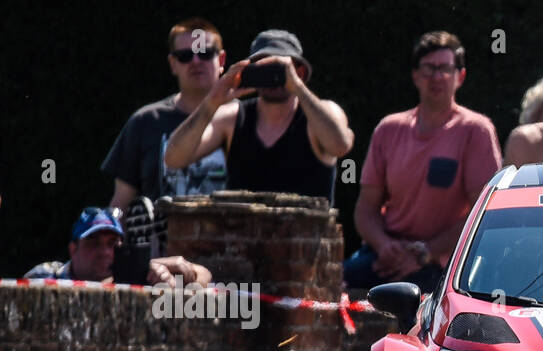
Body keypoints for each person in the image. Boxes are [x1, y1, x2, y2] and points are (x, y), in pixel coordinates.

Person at [344, 31, 502, 292]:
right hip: (386, 256)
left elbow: (483, 212)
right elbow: (365, 209)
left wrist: (426, 252)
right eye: (429, 68)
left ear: (460, 76)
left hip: (445, 263)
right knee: (326, 289)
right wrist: (384, 245)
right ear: (415, 75)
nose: (437, 77)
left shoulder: (476, 130)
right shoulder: (388, 129)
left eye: (445, 68)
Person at [164, 29, 353, 202]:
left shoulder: (320, 114)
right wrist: (212, 102)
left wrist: (297, 87)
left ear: (300, 73)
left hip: (306, 236)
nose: (272, 77)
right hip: (243, 237)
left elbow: (340, 145)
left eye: (277, 69)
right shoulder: (232, 119)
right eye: (263, 68)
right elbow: (173, 159)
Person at [102, 18, 229, 210]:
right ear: (172, 63)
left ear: (221, 60)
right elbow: (121, 204)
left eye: (204, 53)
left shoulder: (244, 117)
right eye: (185, 56)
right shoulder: (145, 121)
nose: (195, 61)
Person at [25, 207, 210, 285]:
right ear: (73, 249)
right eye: (94, 243)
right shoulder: (44, 275)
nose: (105, 252)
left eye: (113, 243)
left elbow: (206, 275)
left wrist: (180, 271)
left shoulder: (134, 276)